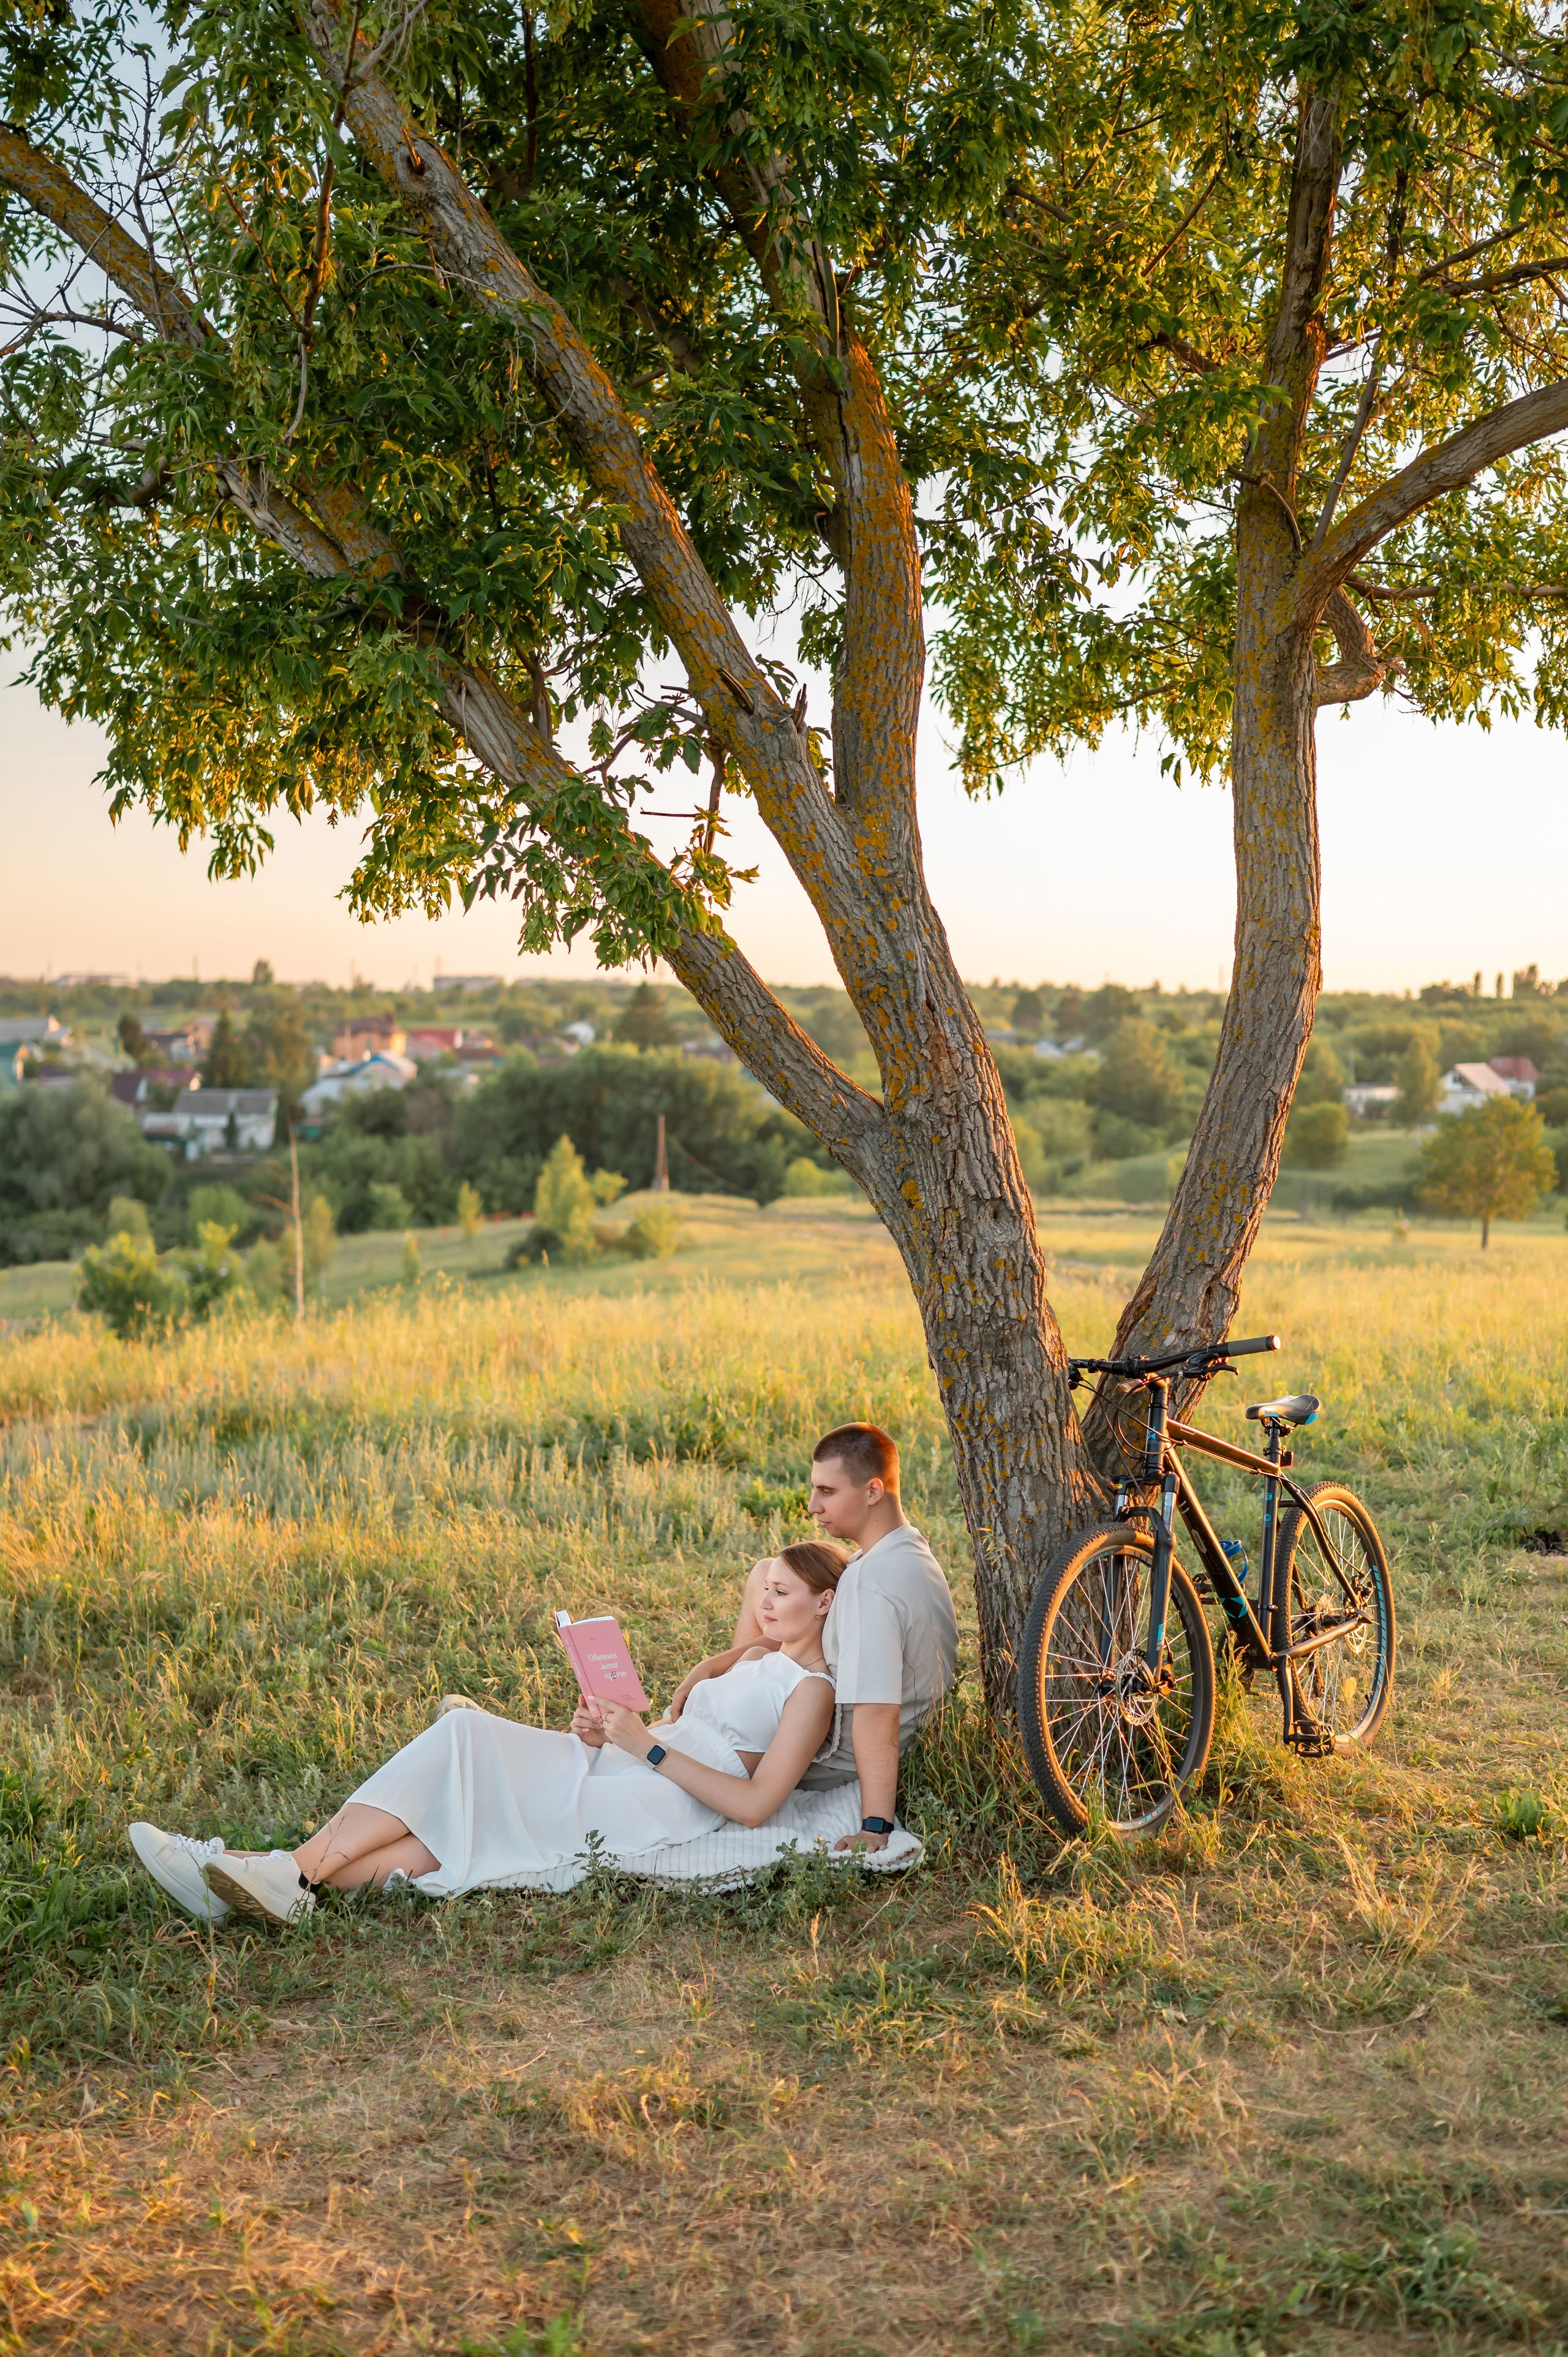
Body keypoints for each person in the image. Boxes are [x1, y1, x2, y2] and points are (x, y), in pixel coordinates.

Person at [127, 1542, 848, 1926]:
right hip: (629, 1760)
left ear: (825, 1601)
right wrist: (609, 1731)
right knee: (462, 1768)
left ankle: (258, 1869)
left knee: (465, 1743)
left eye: (782, 1592)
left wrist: (645, 1747)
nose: (764, 1599)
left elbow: (753, 1805)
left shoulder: (812, 1691)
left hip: (663, 1797)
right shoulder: (756, 1655)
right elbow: (741, 1622)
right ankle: (265, 1877)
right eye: (765, 1590)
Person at [668, 1424, 958, 1854]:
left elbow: (877, 1716)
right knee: (768, 1572)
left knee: (680, 1751)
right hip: (835, 1708)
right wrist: (711, 1668)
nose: (812, 1506)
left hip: (831, 1757)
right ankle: (723, 1694)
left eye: (827, 1491)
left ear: (873, 1491)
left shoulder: (870, 1586)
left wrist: (874, 1825)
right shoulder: (904, 1549)